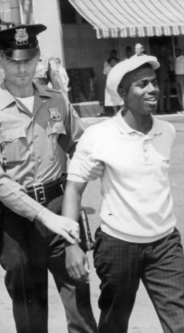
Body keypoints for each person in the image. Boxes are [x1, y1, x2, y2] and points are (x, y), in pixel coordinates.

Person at [0, 24, 99, 332]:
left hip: (59, 207)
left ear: (38, 59)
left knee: (79, 303)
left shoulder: (56, 101)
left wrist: (95, 161)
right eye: (13, 61)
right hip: (17, 220)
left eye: (28, 60)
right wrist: (43, 216)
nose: (22, 68)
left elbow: (79, 144)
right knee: (30, 309)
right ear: (0, 62)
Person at [63, 55, 184, 333]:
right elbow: (74, 189)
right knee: (114, 325)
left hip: (165, 245)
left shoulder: (167, 131)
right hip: (118, 246)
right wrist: (71, 244)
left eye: (154, 82)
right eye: (142, 84)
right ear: (122, 94)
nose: (152, 89)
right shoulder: (99, 136)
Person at [156, 46, 172, 113]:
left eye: (164, 50)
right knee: (161, 95)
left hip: (167, 79)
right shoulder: (158, 59)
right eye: (162, 50)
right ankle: (161, 109)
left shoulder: (167, 60)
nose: (163, 52)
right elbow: (156, 70)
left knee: (168, 95)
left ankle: (168, 109)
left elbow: (169, 69)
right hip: (161, 79)